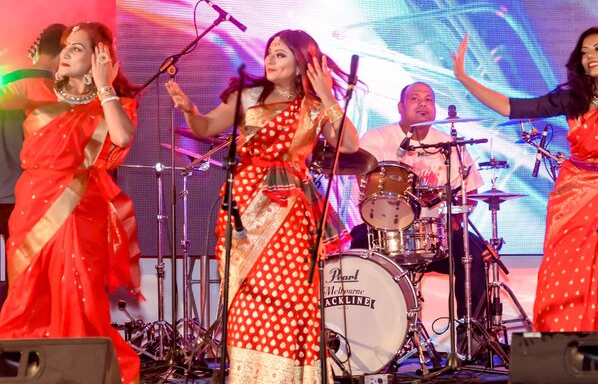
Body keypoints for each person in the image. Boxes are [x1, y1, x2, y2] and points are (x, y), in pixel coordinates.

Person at [166, 29, 359, 384]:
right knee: (246, 299)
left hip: (289, 212)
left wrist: (328, 94)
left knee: (291, 300)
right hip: (243, 205)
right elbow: (206, 126)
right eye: (269, 52)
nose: (270, 59)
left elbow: (348, 144)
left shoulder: (315, 107)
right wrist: (189, 110)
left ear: (302, 63)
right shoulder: (248, 96)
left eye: (281, 54)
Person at [451, 27, 598, 331]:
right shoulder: (573, 98)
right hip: (574, 196)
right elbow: (512, 107)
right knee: (565, 273)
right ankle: (563, 343)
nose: (589, 56)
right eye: (584, 51)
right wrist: (464, 78)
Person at [0, 22, 141, 383]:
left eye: (76, 48)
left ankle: (76, 375)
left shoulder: (113, 103)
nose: (65, 54)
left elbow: (122, 137)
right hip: (32, 205)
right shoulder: (37, 87)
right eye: (65, 47)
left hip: (81, 210)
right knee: (28, 293)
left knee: (77, 292)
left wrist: (105, 85)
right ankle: (27, 373)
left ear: (99, 57)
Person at [349, 81, 487, 322]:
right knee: (358, 254)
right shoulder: (377, 138)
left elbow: (471, 193)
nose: (423, 103)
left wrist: (454, 221)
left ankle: (470, 336)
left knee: (474, 255)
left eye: (429, 99)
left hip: (435, 233)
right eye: (415, 98)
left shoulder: (449, 145)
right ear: (400, 106)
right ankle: (370, 337)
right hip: (383, 229)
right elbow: (363, 181)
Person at [0, 24, 66, 252]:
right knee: (24, 273)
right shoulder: (56, 92)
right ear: (62, 54)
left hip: (6, 189)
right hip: (26, 194)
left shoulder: (7, 83)